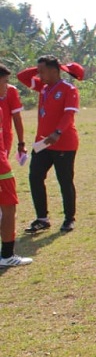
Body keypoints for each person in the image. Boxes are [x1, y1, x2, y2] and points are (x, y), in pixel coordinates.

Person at [18, 56, 83, 234]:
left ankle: (69, 219)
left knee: (64, 181)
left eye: (43, 71)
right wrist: (38, 68)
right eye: (38, 71)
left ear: (55, 71)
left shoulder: (69, 89)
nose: (39, 75)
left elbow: (69, 115)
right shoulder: (43, 87)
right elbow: (21, 77)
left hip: (64, 143)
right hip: (43, 143)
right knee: (35, 177)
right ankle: (42, 218)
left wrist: (58, 132)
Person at [0, 100, 29, 267]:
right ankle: (7, 256)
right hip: (2, 168)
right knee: (9, 208)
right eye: (4, 82)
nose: (7, 87)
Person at [0, 64, 25, 161]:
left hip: (4, 138)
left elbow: (17, 118)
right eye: (5, 81)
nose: (7, 85)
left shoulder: (11, 91)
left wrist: (21, 143)